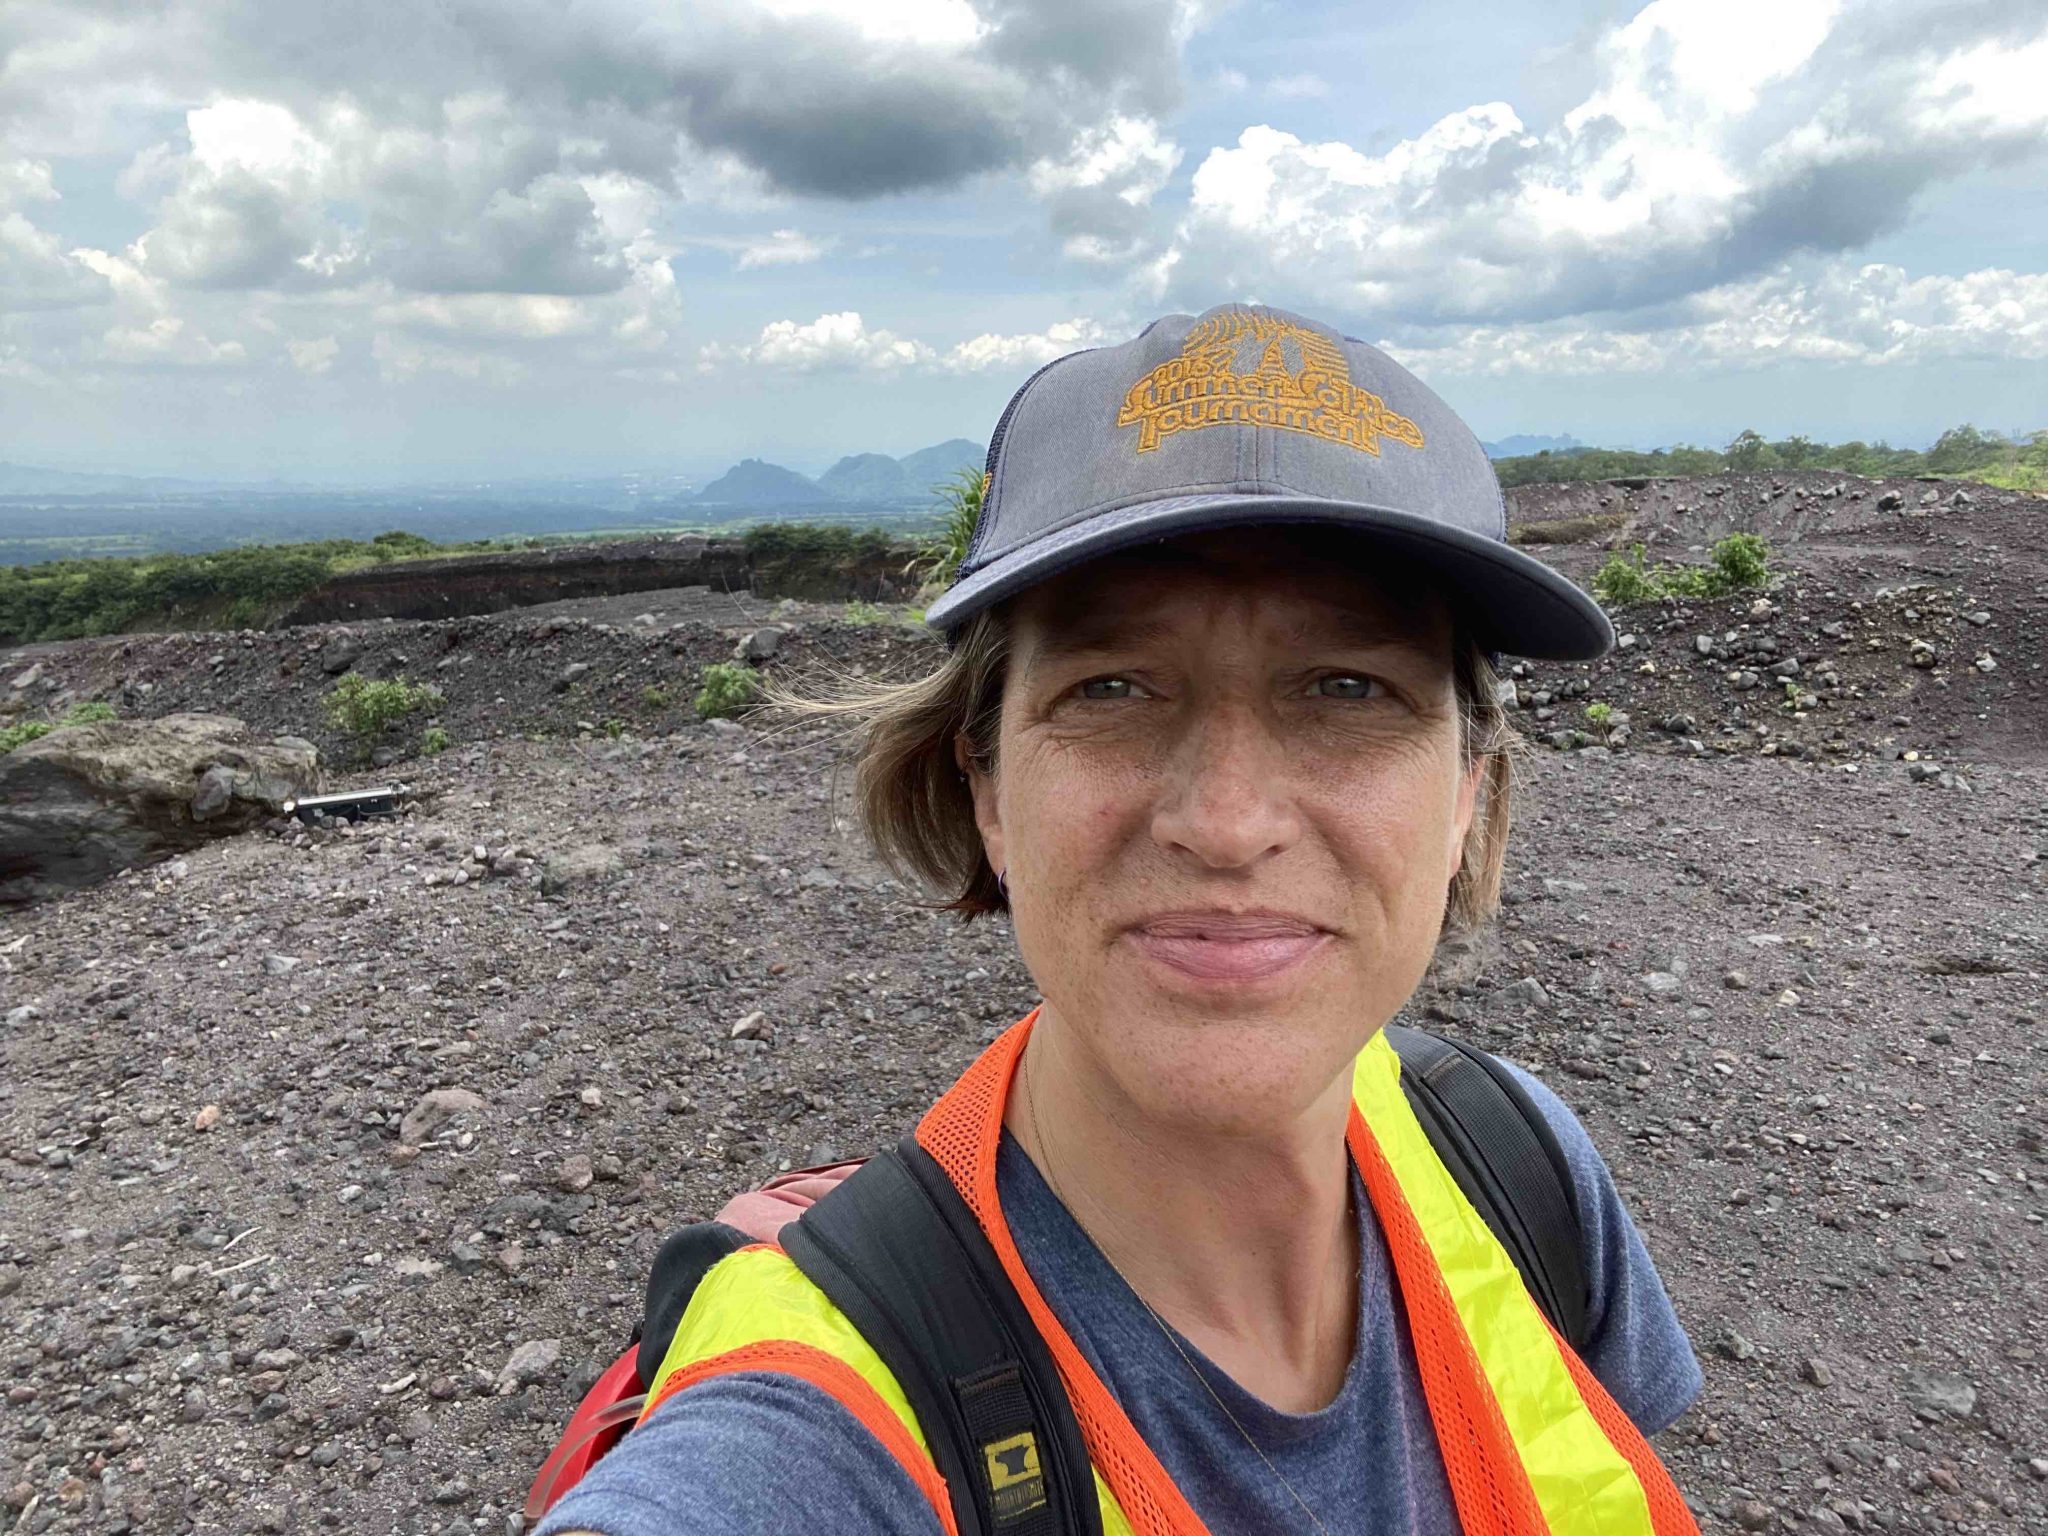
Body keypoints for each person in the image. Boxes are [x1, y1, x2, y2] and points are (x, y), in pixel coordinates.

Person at [537, 303, 1703, 1536]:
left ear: (1468, 790)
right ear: (984, 788)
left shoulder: (1519, 1167)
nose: (1226, 820)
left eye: (1349, 687)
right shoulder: (817, 1418)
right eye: (1111, 688)